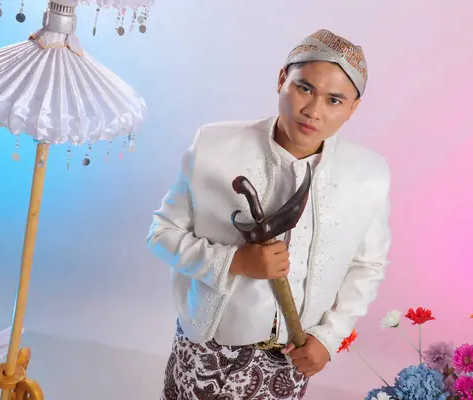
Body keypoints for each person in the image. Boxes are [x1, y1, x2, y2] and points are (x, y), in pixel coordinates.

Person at [147, 28, 392, 399]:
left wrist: (330, 337)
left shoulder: (368, 175)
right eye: (304, 88)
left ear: (353, 108)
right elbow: (161, 234)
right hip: (204, 348)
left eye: (334, 100)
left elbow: (368, 265)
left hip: (291, 358)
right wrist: (234, 261)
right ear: (282, 79)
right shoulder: (214, 145)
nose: (313, 111)